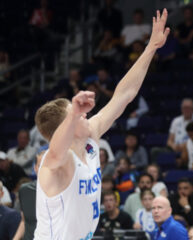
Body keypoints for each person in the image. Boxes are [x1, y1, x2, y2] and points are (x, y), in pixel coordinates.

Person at [33, 9, 170, 239]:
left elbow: (124, 94)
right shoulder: (54, 161)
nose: (84, 115)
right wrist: (73, 113)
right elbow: (56, 149)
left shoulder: (90, 137)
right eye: (75, 115)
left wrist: (151, 48)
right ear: (64, 127)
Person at [13, 146, 47, 240]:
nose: (45, 170)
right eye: (41, 166)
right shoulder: (24, 190)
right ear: (35, 168)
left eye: (47, 166)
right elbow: (24, 221)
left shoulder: (63, 191)